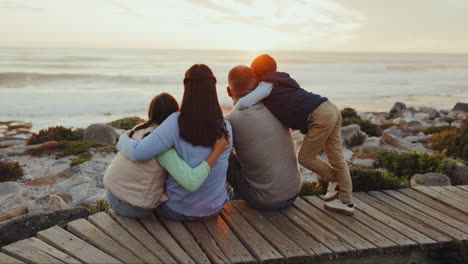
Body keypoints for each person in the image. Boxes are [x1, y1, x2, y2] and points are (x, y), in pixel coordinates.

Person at [233, 54, 354, 215]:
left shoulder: (267, 84)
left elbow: (243, 103)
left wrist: (232, 114)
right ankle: (346, 200)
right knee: (336, 156)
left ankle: (334, 180)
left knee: (305, 158)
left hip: (319, 116)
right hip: (330, 107)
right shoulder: (284, 80)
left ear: (257, 74)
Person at [117, 64, 233, 220]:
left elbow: (138, 153)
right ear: (213, 88)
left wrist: (122, 138)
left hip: (177, 210)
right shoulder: (226, 128)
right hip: (214, 209)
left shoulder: (174, 123)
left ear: (186, 87)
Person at [226, 65, 301, 210]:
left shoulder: (232, 120)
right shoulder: (276, 107)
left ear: (229, 91)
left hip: (266, 202)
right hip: (294, 192)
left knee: (225, 156)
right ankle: (234, 197)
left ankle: (228, 201)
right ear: (256, 86)